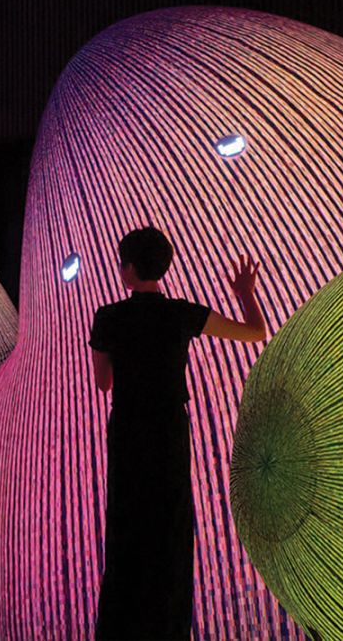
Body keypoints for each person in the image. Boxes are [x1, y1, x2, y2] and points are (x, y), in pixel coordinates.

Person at [88, 226, 267, 640]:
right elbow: (255, 332)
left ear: (128, 269)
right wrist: (244, 292)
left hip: (129, 429)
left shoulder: (108, 317)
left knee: (127, 527)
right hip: (168, 429)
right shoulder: (182, 313)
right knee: (169, 527)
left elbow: (103, 383)